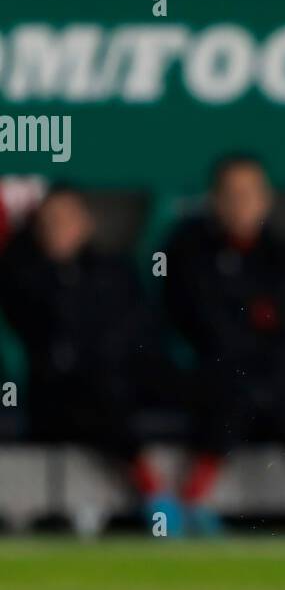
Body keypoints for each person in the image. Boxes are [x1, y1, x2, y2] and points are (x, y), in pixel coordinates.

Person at [164, 156, 285, 529]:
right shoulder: (189, 248)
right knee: (244, 380)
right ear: (215, 200)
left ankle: (194, 493)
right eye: (231, 194)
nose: (241, 204)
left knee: (272, 379)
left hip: (277, 373)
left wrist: (259, 320)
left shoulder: (284, 251)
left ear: (265, 200)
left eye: (249, 194)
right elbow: (201, 320)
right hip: (216, 372)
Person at [0, 187, 183, 526]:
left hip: (118, 385)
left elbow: (138, 331)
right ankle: (155, 494)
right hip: (57, 395)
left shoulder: (114, 271)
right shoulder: (21, 274)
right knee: (92, 392)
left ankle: (187, 499)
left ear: (85, 223)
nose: (58, 228)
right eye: (49, 221)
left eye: (66, 219)